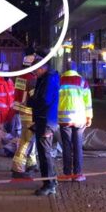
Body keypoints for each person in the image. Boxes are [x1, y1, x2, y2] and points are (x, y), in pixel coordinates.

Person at [28, 51, 60, 196]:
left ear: (42, 67)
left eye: (35, 70)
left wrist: (32, 101)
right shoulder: (47, 78)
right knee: (45, 153)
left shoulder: (48, 79)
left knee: (44, 154)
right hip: (45, 119)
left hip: (46, 120)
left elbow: (45, 100)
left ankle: (49, 184)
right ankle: (51, 180)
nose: (34, 73)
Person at [58, 64, 93, 181]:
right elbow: (87, 101)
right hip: (79, 118)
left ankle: (67, 174)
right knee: (78, 146)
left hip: (63, 119)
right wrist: (89, 117)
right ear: (75, 69)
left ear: (65, 69)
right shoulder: (82, 81)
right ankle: (77, 174)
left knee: (66, 146)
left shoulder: (59, 80)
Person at [10, 56, 39, 179]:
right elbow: (34, 98)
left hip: (22, 111)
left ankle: (31, 163)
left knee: (29, 139)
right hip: (29, 112)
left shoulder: (20, 76)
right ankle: (18, 168)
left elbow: (19, 94)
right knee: (26, 141)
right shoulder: (32, 79)